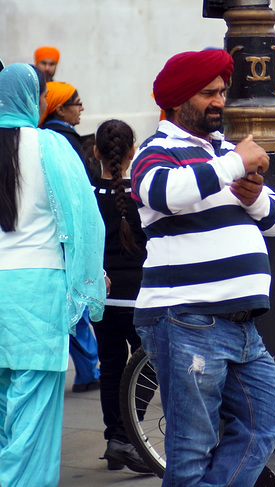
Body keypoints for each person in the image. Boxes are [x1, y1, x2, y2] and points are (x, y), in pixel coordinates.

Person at [131, 49, 275, 486]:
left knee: (267, 420)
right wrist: (234, 164)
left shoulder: (222, 154)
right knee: (191, 447)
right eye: (208, 93)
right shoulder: (157, 150)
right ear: (179, 100)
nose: (220, 100)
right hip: (187, 318)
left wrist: (253, 194)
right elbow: (162, 192)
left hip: (241, 326)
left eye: (222, 91)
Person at [0, 63, 105, 487]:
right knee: (32, 417)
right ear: (33, 99)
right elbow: (85, 221)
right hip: (37, 291)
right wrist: (89, 280)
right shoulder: (51, 146)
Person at [90, 119, 152, 473]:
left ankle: (115, 437)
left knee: (111, 366)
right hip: (138, 294)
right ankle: (127, 437)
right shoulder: (141, 193)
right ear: (133, 152)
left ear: (95, 151)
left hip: (102, 295)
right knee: (151, 364)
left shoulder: (88, 193)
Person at [40, 81, 103, 393]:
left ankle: (88, 370)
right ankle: (89, 370)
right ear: (59, 108)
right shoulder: (60, 141)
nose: (81, 108)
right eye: (76, 103)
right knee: (74, 306)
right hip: (61, 244)